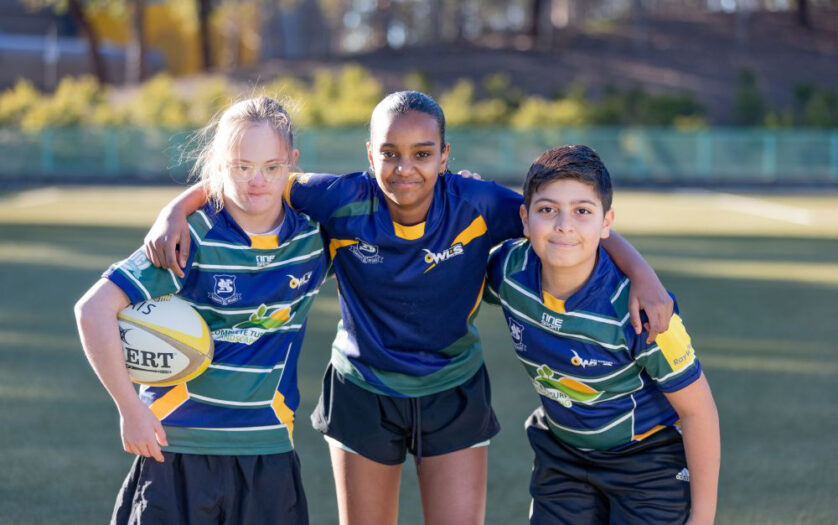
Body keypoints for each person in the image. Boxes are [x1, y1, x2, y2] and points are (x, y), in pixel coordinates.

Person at [143, 91, 674, 525]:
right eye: (390, 153)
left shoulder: (478, 203)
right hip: (363, 390)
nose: (405, 168)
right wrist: (175, 210)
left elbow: (564, 218)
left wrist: (643, 274)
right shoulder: (337, 197)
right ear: (369, 154)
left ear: (445, 157)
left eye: (422, 153)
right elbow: (250, 175)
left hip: (452, 389)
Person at [74, 97, 327, 524]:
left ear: (292, 164)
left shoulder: (313, 237)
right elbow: (93, 310)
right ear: (219, 164)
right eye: (241, 167)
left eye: (271, 167)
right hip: (177, 446)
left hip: (266, 447)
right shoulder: (190, 237)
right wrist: (129, 409)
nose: (257, 181)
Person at [485, 145, 720, 524]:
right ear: (525, 220)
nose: (564, 224)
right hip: (562, 455)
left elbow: (698, 411)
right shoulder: (510, 272)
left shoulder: (643, 312)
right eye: (548, 210)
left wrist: (703, 518)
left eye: (582, 211)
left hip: (646, 463)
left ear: (606, 222)